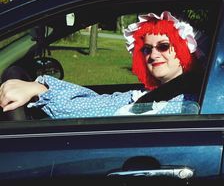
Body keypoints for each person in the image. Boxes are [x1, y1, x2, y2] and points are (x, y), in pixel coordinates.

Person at [0, 11, 203, 119]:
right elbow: (98, 101)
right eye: (147, 49)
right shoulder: (152, 95)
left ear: (184, 49)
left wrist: (40, 90)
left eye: (164, 46)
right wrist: (40, 87)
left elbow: (88, 112)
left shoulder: (182, 105)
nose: (153, 54)